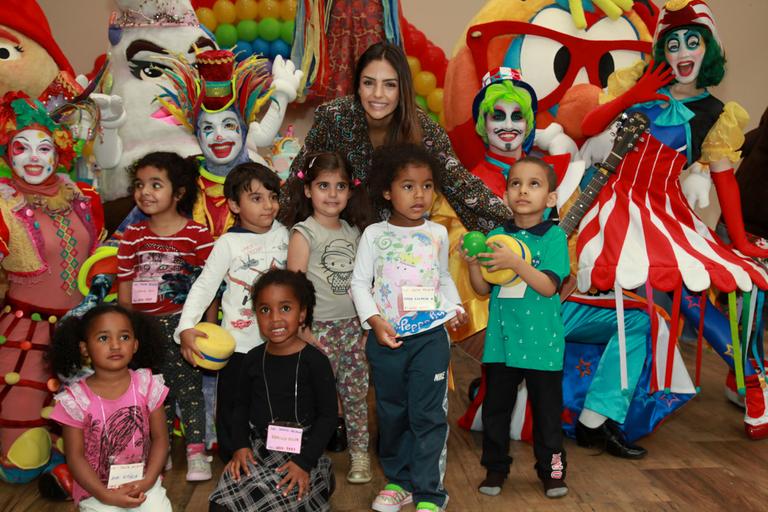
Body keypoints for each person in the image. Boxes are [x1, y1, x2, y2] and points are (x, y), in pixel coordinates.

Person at [573, 0, 768, 445]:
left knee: (691, 295)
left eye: (692, 41)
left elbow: (725, 180)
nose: (682, 51)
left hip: (664, 211)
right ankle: (600, 406)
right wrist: (633, 96)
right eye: (673, 41)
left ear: (708, 50)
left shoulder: (717, 113)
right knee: (624, 304)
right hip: (612, 204)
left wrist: (737, 240)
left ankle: (752, 377)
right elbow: (588, 126)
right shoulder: (635, 83)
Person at [285, 41, 509, 234]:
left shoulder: (424, 130)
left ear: (402, 89)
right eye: (368, 82)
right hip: (339, 239)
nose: (378, 94)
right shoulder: (333, 117)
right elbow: (298, 177)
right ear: (358, 87)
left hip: (400, 245)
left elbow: (461, 186)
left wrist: (516, 226)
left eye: (389, 85)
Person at [351, 143, 467, 512]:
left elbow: (443, 278)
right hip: (387, 339)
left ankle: (430, 493)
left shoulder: (437, 233)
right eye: (408, 186)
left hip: (430, 339)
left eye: (427, 185)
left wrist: (455, 308)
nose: (420, 195)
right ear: (387, 190)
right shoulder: (373, 234)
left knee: (427, 414)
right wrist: (375, 321)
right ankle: (399, 481)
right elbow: (358, 284)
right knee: (392, 412)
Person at [0, 91, 105, 494]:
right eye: (20, 147)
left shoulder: (82, 197)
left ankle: (69, 462)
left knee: (100, 435)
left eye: (43, 147)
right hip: (25, 337)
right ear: (7, 153)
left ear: (58, 153)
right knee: (22, 461)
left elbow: (100, 258)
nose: (32, 157)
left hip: (80, 332)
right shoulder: (3, 204)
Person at [461, 156, 569, 498]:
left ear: (550, 198)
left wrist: (516, 263)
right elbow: (482, 290)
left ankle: (553, 473)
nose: (523, 190)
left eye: (534, 184)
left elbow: (549, 286)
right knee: (496, 411)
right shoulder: (495, 236)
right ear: (505, 194)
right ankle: (495, 470)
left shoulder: (554, 238)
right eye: (515, 183)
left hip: (543, 346)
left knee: (548, 416)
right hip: (501, 344)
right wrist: (474, 265)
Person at [175, 163, 289, 462]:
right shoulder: (227, 243)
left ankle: (276, 458)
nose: (268, 205)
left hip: (279, 343)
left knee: (278, 405)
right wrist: (186, 327)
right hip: (239, 345)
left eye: (272, 197)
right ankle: (232, 460)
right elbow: (204, 287)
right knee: (233, 408)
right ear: (235, 205)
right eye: (256, 198)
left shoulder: (286, 235)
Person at [116, 152, 215, 481]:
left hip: (182, 326)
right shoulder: (132, 236)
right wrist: (126, 329)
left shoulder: (198, 235)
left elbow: (209, 285)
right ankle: (160, 452)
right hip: (143, 328)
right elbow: (125, 282)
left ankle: (197, 451)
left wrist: (208, 326)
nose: (145, 192)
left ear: (180, 192)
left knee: (188, 389)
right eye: (140, 184)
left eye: (156, 184)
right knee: (151, 393)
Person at [208, 269, 337, 511]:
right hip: (260, 448)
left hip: (305, 452)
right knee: (220, 505)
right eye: (265, 310)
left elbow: (328, 417)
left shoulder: (316, 362)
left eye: (285, 308)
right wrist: (240, 446)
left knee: (283, 501)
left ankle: (324, 476)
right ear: (256, 314)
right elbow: (241, 408)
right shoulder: (252, 360)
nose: (275, 318)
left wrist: (304, 462)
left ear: (302, 313)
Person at [281, 151, 373, 483]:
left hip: (352, 329)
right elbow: (293, 289)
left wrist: (367, 328)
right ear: (308, 190)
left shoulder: (355, 232)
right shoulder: (303, 233)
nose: (332, 194)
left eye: (340, 186)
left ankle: (360, 456)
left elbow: (366, 284)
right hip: (316, 331)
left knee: (355, 396)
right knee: (312, 401)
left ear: (351, 191)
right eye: (323, 185)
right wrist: (303, 332)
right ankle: (306, 460)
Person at [48, 304, 171, 511]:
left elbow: (160, 439)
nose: (115, 345)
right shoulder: (76, 399)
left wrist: (148, 481)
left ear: (135, 345)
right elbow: (75, 456)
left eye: (124, 337)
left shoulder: (146, 385)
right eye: (104, 338)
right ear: (84, 348)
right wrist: (105, 495)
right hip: (96, 491)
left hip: (143, 484)